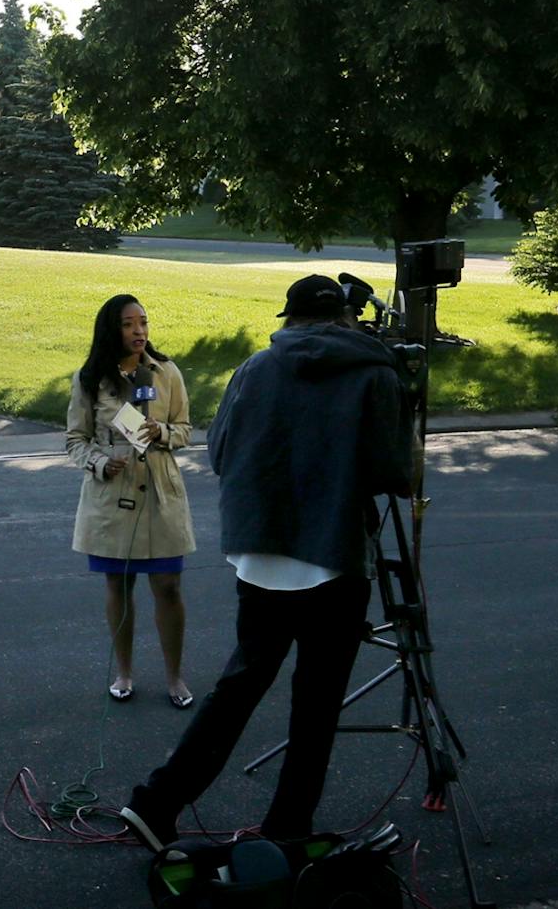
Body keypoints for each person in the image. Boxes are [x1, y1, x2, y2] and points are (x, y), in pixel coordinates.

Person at [117, 273, 409, 851]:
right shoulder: (376, 373)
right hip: (333, 561)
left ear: (290, 320)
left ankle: (157, 802)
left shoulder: (255, 368)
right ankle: (286, 831)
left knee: (238, 688)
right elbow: (394, 474)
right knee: (316, 708)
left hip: (258, 557)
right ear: (345, 318)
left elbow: (222, 452)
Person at [66, 292, 197, 709]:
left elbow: (185, 430)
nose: (139, 330)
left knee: (168, 586)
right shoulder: (91, 378)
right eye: (128, 323)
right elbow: (75, 440)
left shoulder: (166, 372)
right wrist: (100, 462)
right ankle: (124, 672)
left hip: (160, 490)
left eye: (143, 322)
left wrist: (163, 433)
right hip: (113, 496)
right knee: (119, 585)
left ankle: (174, 676)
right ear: (111, 329)